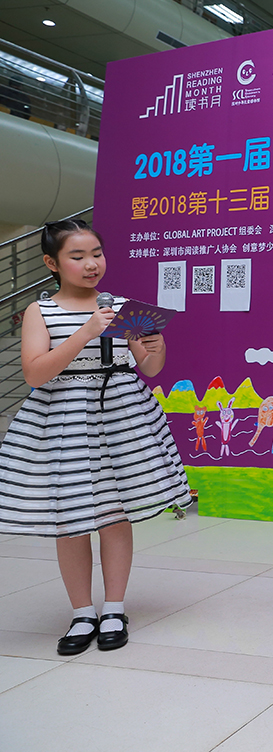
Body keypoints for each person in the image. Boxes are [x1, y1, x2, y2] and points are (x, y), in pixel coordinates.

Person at [0, 218, 190, 654]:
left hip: (121, 418)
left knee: (114, 515)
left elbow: (149, 368)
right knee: (70, 520)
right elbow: (35, 373)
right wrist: (86, 332)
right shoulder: (41, 311)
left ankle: (114, 609)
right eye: (78, 256)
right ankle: (82, 613)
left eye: (97, 254)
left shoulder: (121, 307)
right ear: (52, 263)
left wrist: (156, 349)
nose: (91, 264)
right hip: (64, 424)